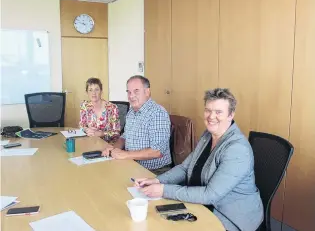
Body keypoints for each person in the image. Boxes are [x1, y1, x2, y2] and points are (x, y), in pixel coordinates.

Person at [133, 88, 264, 231]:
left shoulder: (237, 150)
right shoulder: (208, 135)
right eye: (208, 110)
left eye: (218, 112)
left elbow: (210, 195)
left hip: (230, 216)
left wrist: (163, 190)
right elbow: (185, 167)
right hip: (202, 204)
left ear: (231, 115)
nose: (211, 116)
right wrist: (157, 180)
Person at [102, 75, 172, 175]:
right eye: (129, 92)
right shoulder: (131, 112)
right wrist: (114, 148)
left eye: (136, 91)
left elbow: (157, 151)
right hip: (131, 164)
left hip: (154, 171)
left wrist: (125, 155)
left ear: (147, 92)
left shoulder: (157, 113)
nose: (131, 96)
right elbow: (124, 137)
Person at [79, 77, 120, 143]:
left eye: (96, 89)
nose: (93, 93)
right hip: (90, 143)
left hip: (108, 145)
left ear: (101, 91)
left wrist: (100, 133)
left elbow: (116, 133)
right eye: (90, 90)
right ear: (87, 92)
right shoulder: (84, 106)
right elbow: (82, 126)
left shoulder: (112, 108)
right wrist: (86, 130)